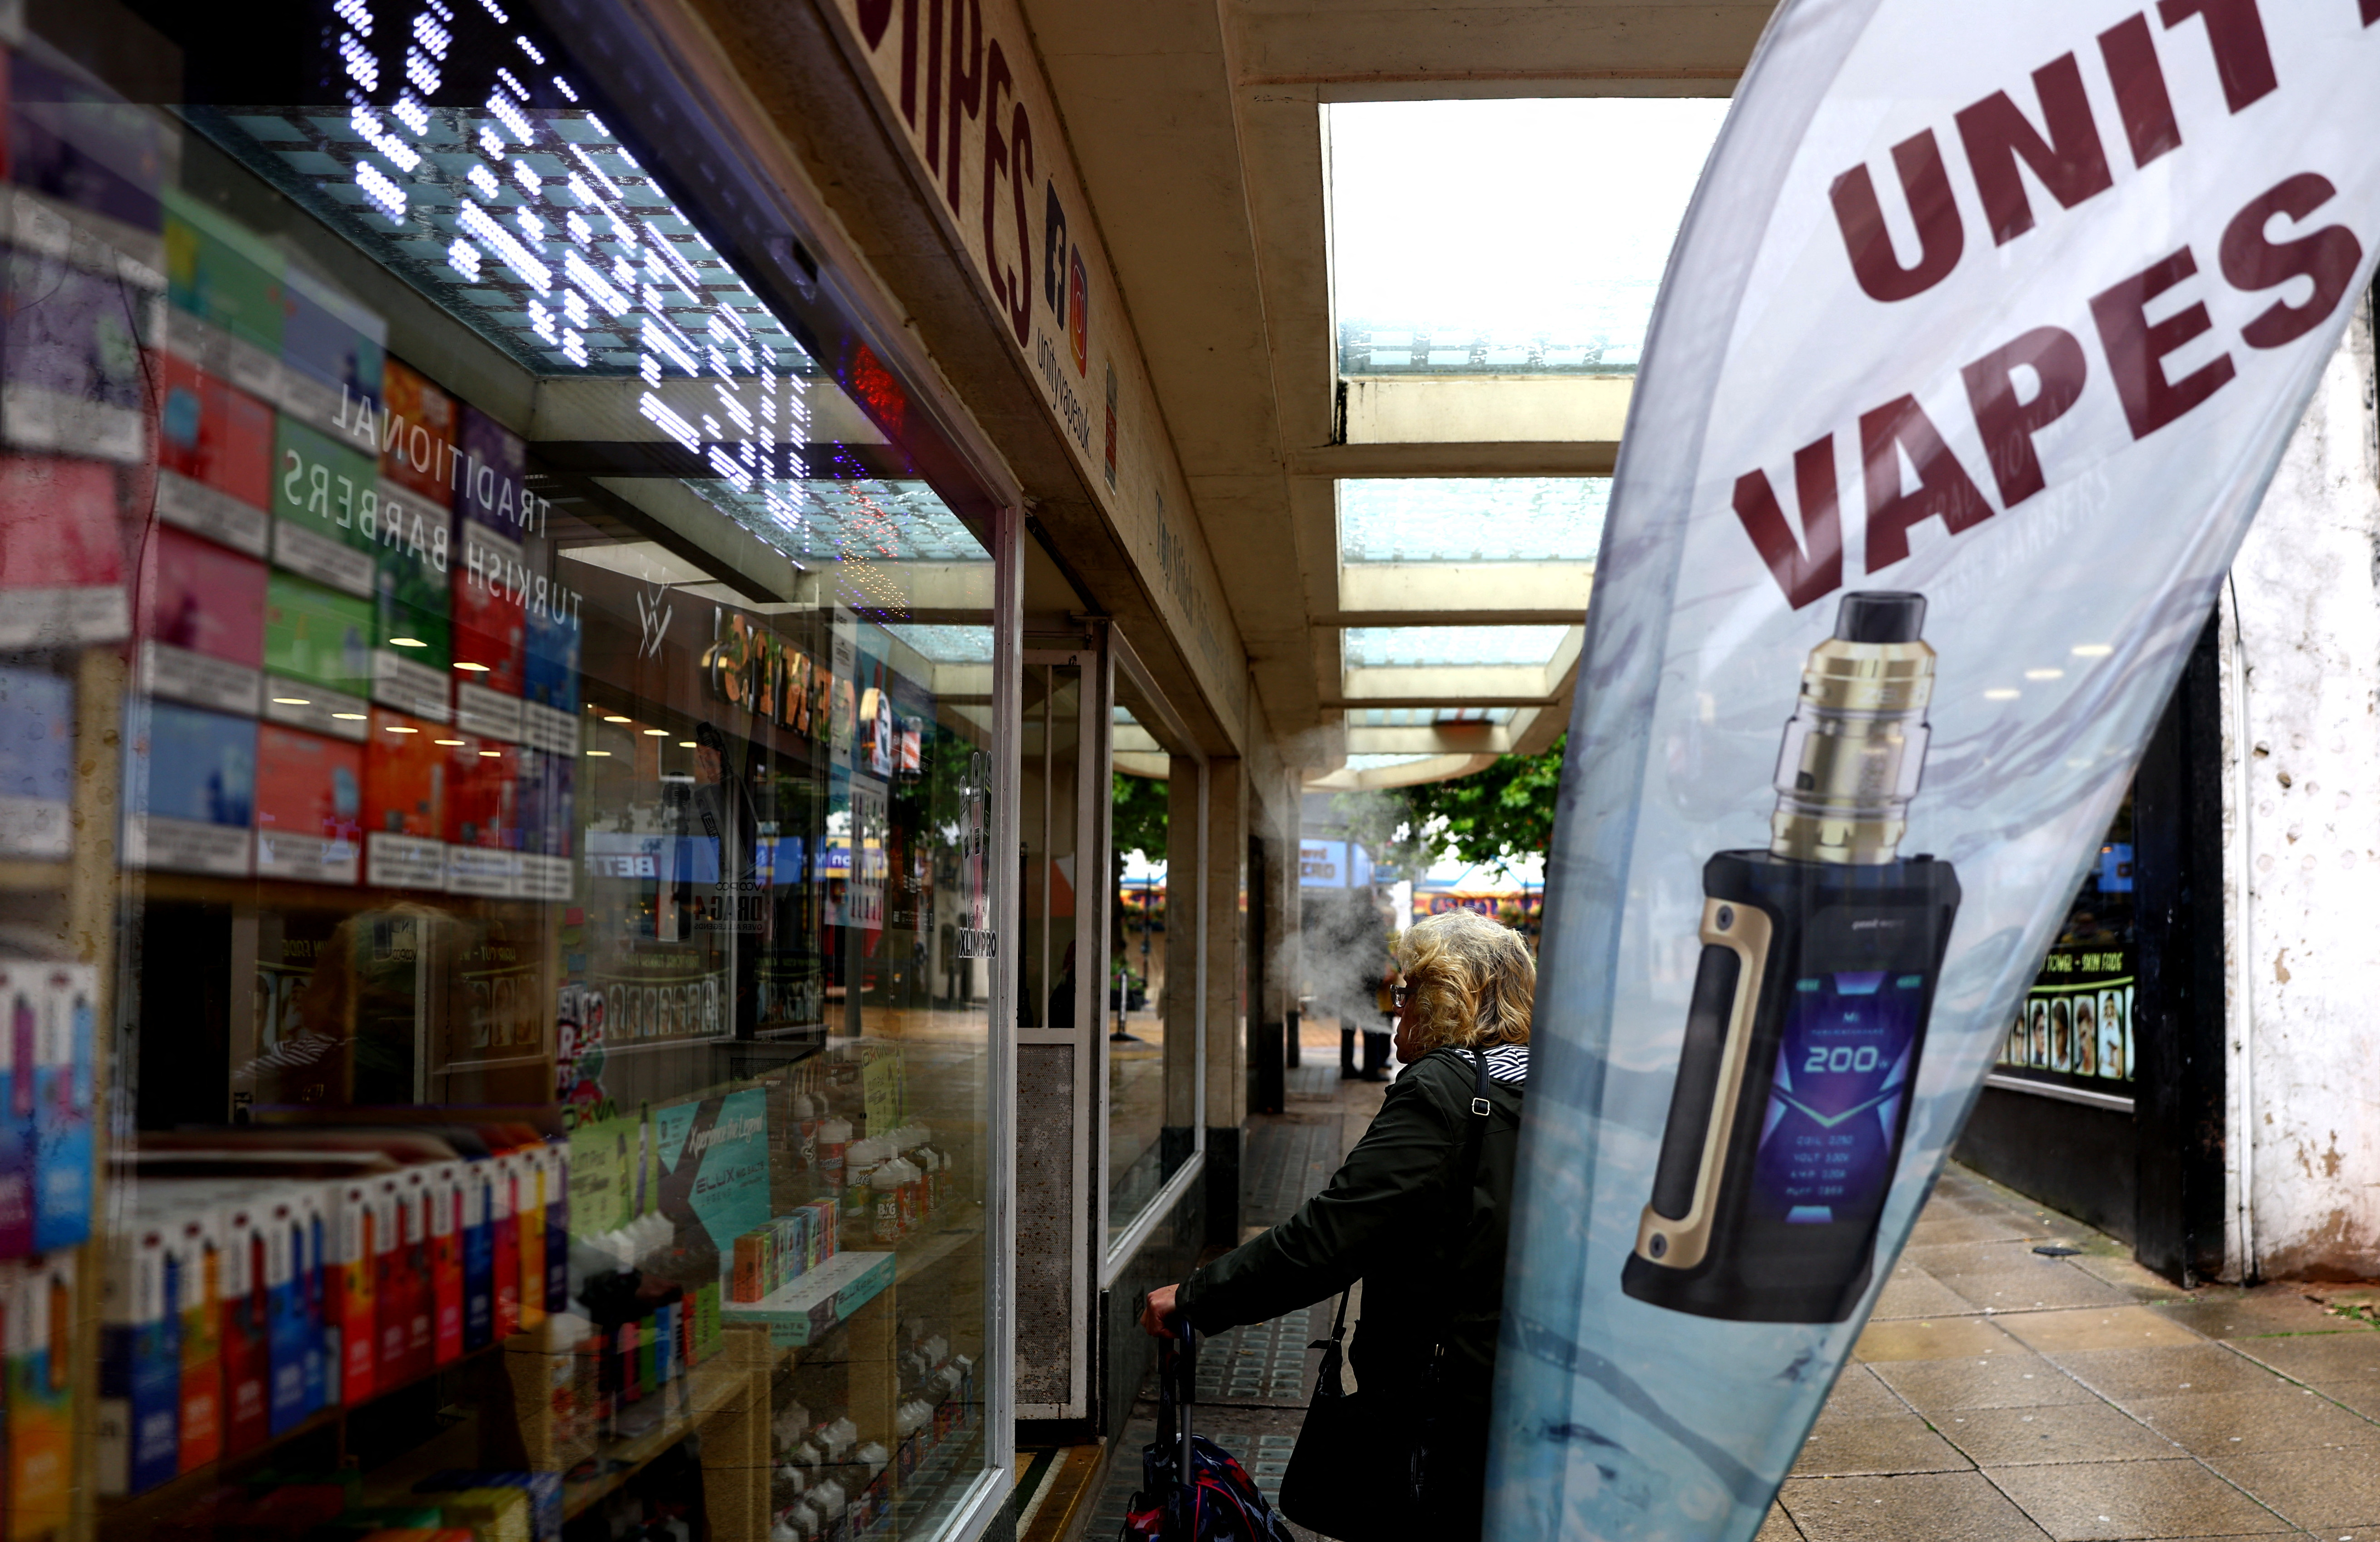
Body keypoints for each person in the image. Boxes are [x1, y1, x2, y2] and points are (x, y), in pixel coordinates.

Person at [1139, 908, 1531, 1541]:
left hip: (1446, 1411)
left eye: (1406, 993)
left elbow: (1331, 1234)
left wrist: (1197, 1296)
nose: (1396, 1009)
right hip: (1529, 1395)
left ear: (1448, 995)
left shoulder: (1442, 1092)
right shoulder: (1552, 1088)